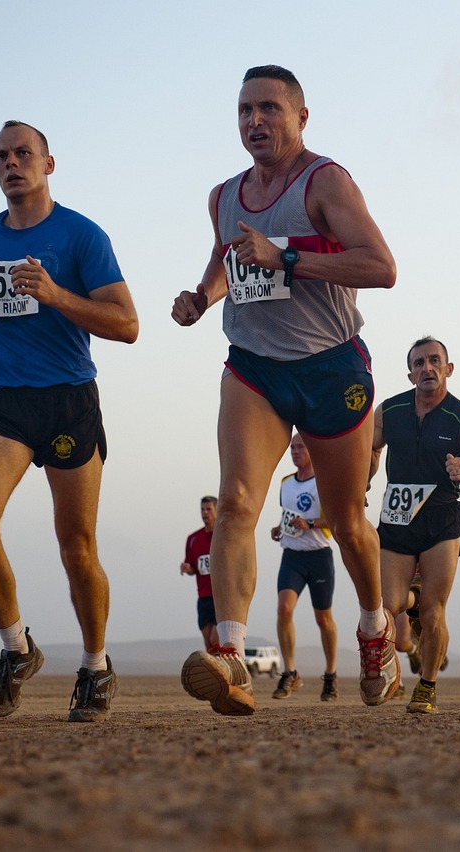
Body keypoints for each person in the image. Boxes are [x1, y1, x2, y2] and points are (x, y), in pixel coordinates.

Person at [171, 66, 398, 715]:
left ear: (301, 117)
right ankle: (232, 655)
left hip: (332, 368)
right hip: (255, 368)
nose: (255, 121)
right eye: (245, 110)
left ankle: (375, 627)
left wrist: (288, 257)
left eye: (270, 108)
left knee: (348, 522)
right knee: (239, 500)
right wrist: (201, 296)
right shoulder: (224, 196)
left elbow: (381, 267)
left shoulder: (324, 182)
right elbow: (227, 258)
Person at [0, 120, 138, 722]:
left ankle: (95, 665)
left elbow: (127, 325)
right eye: (2, 156)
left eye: (24, 153)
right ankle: (16, 649)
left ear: (48, 164)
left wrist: (58, 295)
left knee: (77, 548)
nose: (12, 163)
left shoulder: (81, 236)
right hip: (3, 400)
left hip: (67, 400)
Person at [371, 337, 460, 714]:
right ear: (410, 372)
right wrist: (363, 477)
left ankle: (427, 686)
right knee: (390, 605)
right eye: (419, 363)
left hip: (441, 519)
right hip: (397, 518)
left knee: (434, 610)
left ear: (448, 369)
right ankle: (410, 599)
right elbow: (371, 449)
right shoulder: (389, 410)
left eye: (434, 361)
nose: (427, 368)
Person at [268, 434, 339, 701]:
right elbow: (288, 514)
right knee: (284, 609)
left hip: (319, 556)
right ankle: (290, 673)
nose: (295, 452)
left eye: (301, 448)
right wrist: (280, 528)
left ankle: (330, 676)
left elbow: (336, 517)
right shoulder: (286, 483)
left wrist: (310, 524)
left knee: (323, 619)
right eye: (293, 448)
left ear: (313, 450)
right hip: (292, 556)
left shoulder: (324, 480)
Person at [180, 496, 219, 650]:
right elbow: (193, 568)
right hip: (203, 597)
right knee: (208, 643)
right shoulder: (193, 539)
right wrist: (187, 568)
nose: (205, 513)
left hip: (221, 596)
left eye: (209, 509)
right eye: (202, 509)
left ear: (217, 510)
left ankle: (222, 671)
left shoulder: (224, 536)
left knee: (216, 639)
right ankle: (212, 673)